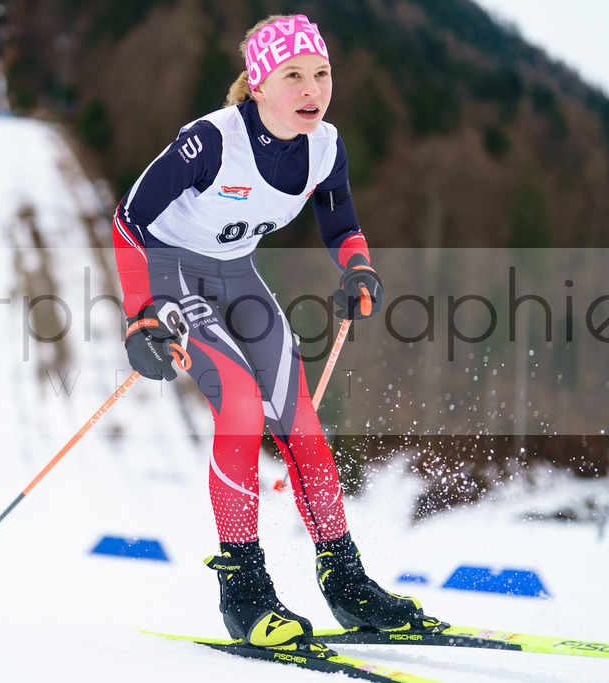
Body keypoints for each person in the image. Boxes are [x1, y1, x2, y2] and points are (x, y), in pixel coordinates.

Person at [113, 14, 444, 653]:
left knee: (299, 420)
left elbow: (340, 223)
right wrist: (140, 314)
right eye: (292, 75)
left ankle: (347, 584)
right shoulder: (210, 142)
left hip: (238, 277)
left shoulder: (325, 147)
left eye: (321, 73)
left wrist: (358, 267)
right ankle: (242, 590)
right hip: (173, 271)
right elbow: (130, 218)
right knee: (239, 404)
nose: (311, 88)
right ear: (259, 84)